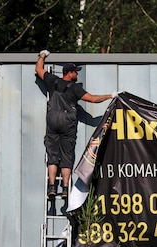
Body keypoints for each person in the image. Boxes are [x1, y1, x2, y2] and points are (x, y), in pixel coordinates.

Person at [35, 50, 116, 211]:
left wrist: (42, 56)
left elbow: (38, 69)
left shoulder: (53, 81)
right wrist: (111, 95)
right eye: (75, 72)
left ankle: (52, 186)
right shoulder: (75, 89)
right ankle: (65, 188)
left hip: (52, 120)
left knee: (52, 155)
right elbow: (93, 99)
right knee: (66, 156)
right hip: (67, 123)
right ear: (69, 73)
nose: (77, 75)